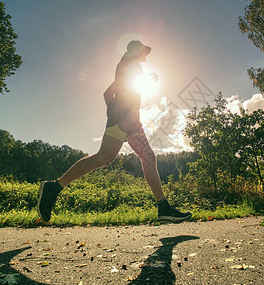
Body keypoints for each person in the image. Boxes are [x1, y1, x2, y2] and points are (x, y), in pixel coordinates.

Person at [37, 40, 191, 223]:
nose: (145, 56)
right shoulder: (130, 64)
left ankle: (163, 208)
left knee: (142, 158)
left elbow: (108, 94)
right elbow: (127, 89)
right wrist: (122, 116)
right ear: (136, 51)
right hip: (126, 119)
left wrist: (115, 112)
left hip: (127, 119)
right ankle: (53, 188)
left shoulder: (127, 66)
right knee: (105, 157)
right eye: (144, 52)